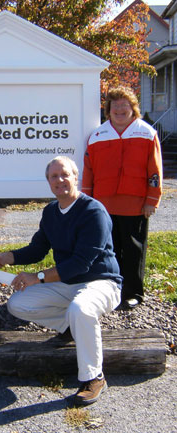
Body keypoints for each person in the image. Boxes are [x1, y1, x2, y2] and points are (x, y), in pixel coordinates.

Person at [0, 156, 122, 406]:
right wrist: (2, 258)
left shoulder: (93, 211)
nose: (60, 180)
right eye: (54, 176)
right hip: (69, 283)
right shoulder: (51, 212)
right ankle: (70, 327)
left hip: (102, 282)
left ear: (77, 178)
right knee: (17, 304)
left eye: (65, 174)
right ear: (49, 183)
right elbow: (36, 250)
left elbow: (80, 264)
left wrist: (38, 277)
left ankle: (93, 377)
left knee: (81, 308)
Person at [82, 86, 162, 310]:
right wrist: (87, 203)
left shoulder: (147, 133)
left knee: (134, 250)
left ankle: (133, 293)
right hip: (103, 206)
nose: (119, 109)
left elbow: (155, 171)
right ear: (108, 110)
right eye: (114, 106)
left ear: (133, 108)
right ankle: (110, 291)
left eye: (124, 105)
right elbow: (89, 171)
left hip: (135, 205)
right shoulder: (97, 135)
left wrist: (151, 200)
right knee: (109, 250)